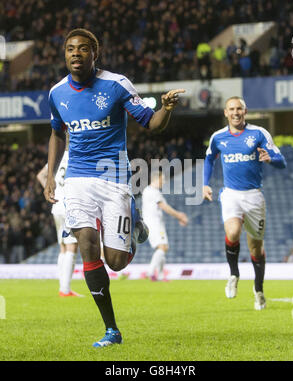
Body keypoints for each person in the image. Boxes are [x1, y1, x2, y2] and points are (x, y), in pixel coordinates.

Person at [43, 28, 185, 348]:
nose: (75, 54)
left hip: (114, 179)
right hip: (76, 180)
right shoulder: (56, 94)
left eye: (82, 48)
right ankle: (111, 329)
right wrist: (52, 175)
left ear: (96, 53)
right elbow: (55, 132)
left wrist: (167, 108)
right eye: (69, 49)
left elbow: (151, 123)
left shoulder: (117, 85)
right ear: (64, 55)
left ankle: (134, 227)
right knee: (86, 244)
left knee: (116, 262)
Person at [203, 96, 287, 310]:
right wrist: (205, 184)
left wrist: (270, 159)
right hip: (231, 194)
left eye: (239, 108)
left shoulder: (259, 133)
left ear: (245, 111)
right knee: (232, 232)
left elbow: (282, 161)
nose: (235, 112)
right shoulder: (218, 137)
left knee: (256, 248)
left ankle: (258, 290)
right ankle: (233, 275)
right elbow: (209, 158)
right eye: (231, 109)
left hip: (254, 197)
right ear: (225, 112)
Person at [37, 143, 82, 297]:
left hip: (56, 207)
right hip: (69, 205)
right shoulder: (77, 157)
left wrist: (51, 191)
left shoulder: (57, 158)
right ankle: (65, 289)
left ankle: (62, 285)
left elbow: (41, 175)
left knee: (63, 247)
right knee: (72, 246)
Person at [142, 170, 188, 281]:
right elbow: (164, 207)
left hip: (152, 223)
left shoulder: (147, 191)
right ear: (156, 179)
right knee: (163, 247)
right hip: (154, 223)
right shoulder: (153, 192)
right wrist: (179, 216)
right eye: (162, 179)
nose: (164, 182)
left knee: (163, 247)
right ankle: (150, 272)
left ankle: (160, 275)